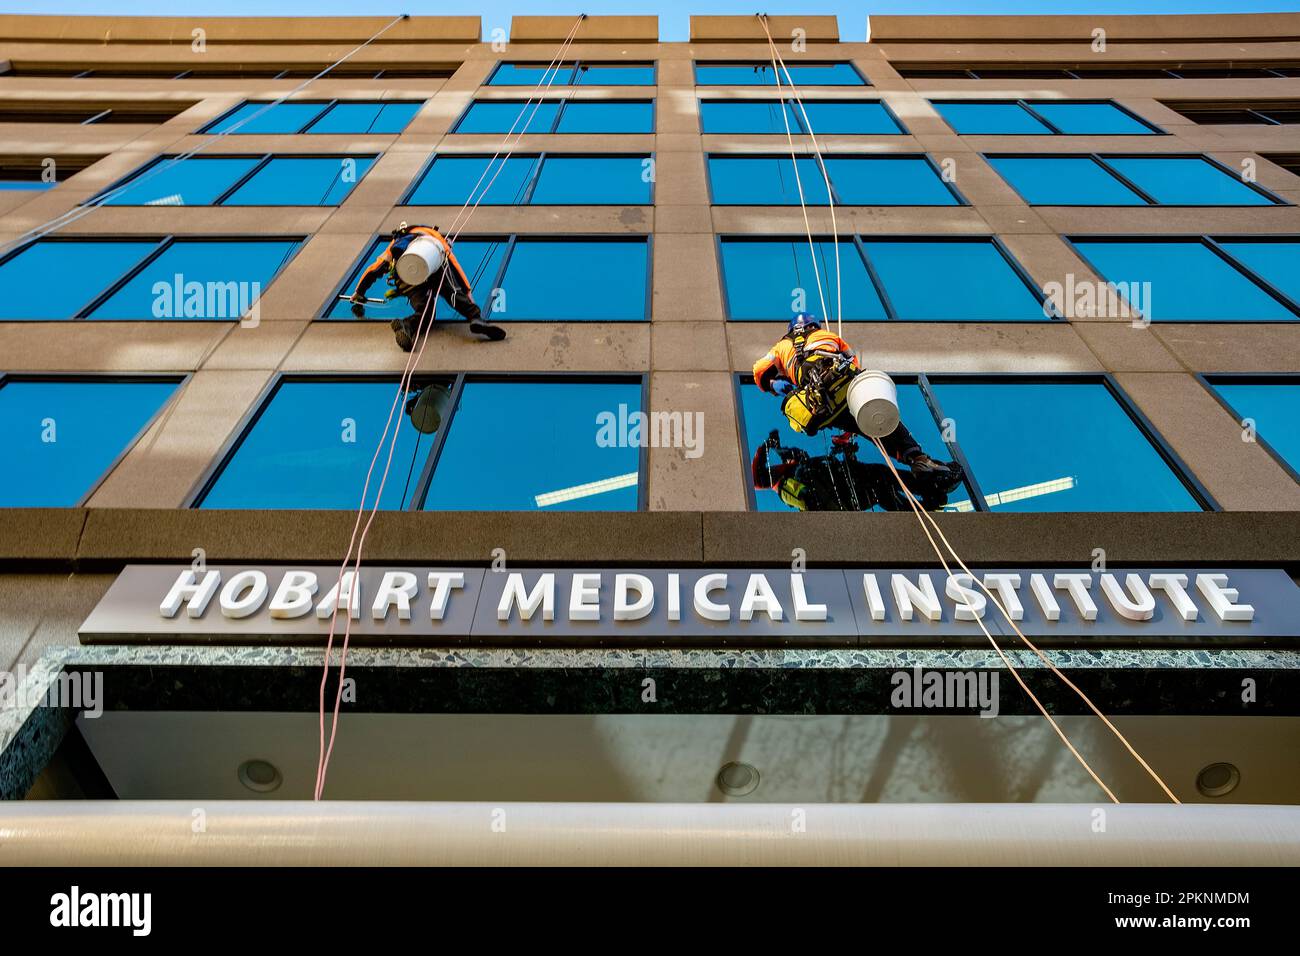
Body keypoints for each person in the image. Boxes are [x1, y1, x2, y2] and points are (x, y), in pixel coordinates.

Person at [752, 312, 960, 480]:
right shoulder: (831, 337)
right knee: (880, 427)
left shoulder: (781, 347)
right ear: (814, 326)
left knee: (871, 426)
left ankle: (917, 462)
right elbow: (856, 371)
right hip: (843, 390)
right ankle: (918, 459)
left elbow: (759, 369)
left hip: (818, 406)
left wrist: (774, 384)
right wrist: (846, 435)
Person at [349, 222, 505, 351]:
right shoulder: (434, 237)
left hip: (406, 275)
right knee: (452, 293)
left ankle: (407, 325)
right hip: (434, 266)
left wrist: (359, 291)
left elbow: (376, 268)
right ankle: (476, 319)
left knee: (426, 312)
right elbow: (454, 266)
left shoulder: (398, 243)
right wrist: (467, 292)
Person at [752, 431, 963, 512]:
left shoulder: (807, 466)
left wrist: (846, 450)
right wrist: (765, 446)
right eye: (791, 455)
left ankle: (931, 485)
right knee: (881, 491)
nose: (796, 454)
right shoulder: (784, 482)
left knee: (882, 476)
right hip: (842, 500)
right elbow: (755, 478)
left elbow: (839, 473)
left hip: (849, 483)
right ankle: (923, 508)